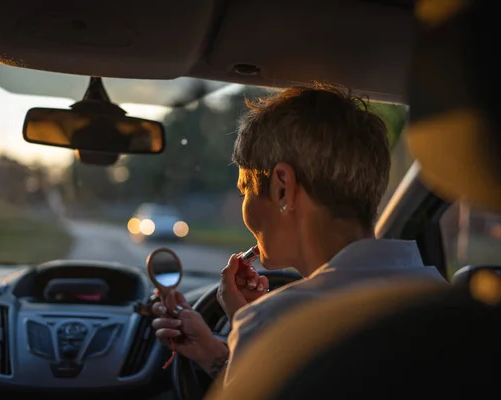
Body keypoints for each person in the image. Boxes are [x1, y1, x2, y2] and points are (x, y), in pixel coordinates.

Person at [151, 83, 448, 380]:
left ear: (283, 188)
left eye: (245, 191)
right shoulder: (452, 304)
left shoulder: (276, 322)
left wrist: (251, 324)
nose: (244, 206)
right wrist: (211, 351)